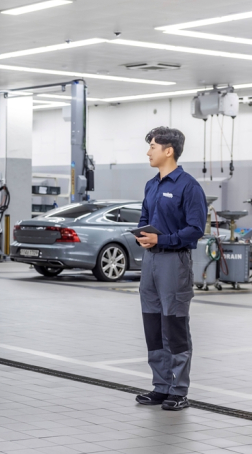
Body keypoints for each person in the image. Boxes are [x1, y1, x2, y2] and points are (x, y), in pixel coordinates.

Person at [135, 126, 206, 411]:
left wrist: (162, 239)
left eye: (153, 146)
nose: (148, 151)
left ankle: (179, 390)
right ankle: (160, 386)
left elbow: (195, 229)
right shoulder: (151, 185)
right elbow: (144, 216)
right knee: (153, 325)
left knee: (174, 326)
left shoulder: (188, 186)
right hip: (150, 262)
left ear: (169, 150)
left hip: (174, 262)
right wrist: (143, 236)